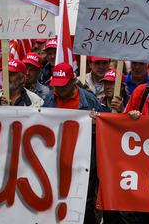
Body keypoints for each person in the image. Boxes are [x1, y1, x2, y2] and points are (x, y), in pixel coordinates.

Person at [43, 63, 103, 224]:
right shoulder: (49, 98)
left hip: (83, 163)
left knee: (84, 203)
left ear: (73, 81)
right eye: (56, 86)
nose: (59, 90)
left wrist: (97, 124)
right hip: (56, 161)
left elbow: (104, 131)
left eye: (62, 86)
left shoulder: (89, 100)